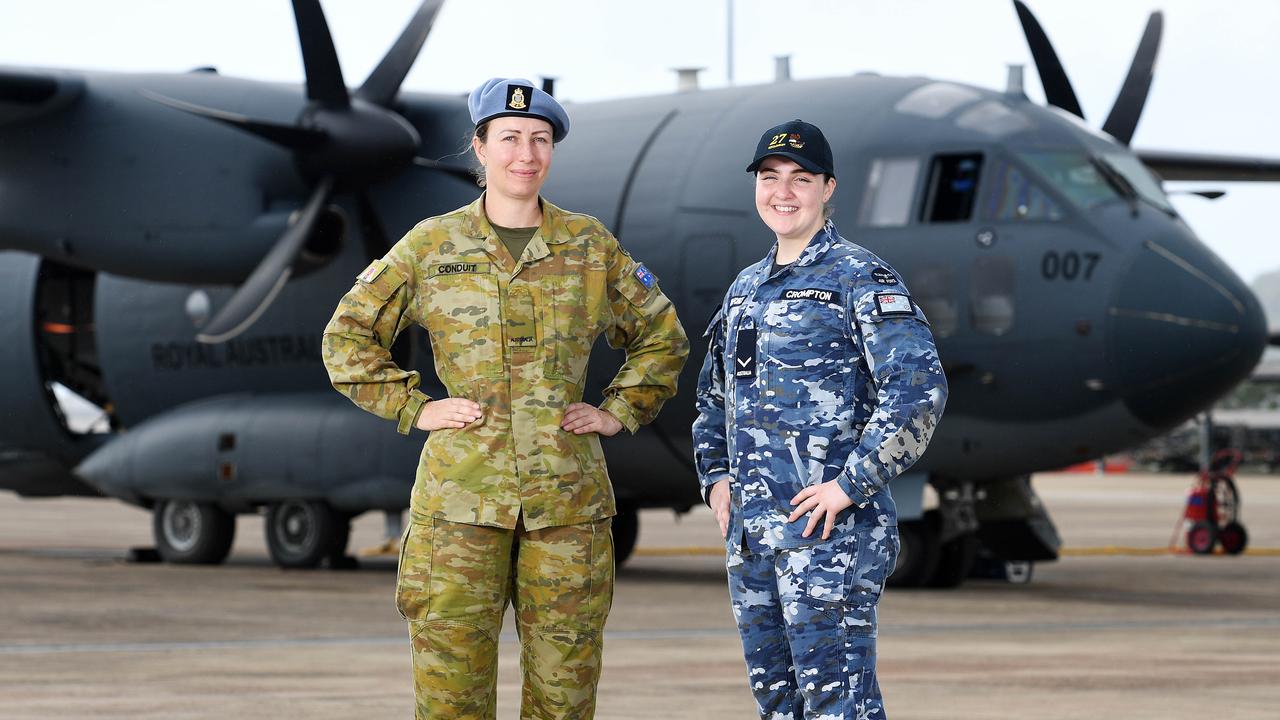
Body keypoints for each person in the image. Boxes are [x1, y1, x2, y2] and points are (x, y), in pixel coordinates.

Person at [322, 77, 689, 719]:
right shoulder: (432, 246)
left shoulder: (588, 246)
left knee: (564, 698)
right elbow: (347, 337)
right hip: (460, 508)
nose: (526, 153)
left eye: (540, 139)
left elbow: (663, 336)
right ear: (480, 147)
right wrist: (415, 407)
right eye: (511, 138)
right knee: (451, 697)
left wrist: (619, 408)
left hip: (567, 508)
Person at [692, 119, 947, 719]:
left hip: (831, 540)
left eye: (800, 179)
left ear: (827, 188)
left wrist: (849, 485)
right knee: (778, 702)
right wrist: (717, 478)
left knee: (839, 702)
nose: (783, 192)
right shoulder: (746, 290)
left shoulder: (861, 277)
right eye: (770, 177)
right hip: (754, 537)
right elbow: (712, 398)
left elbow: (919, 391)